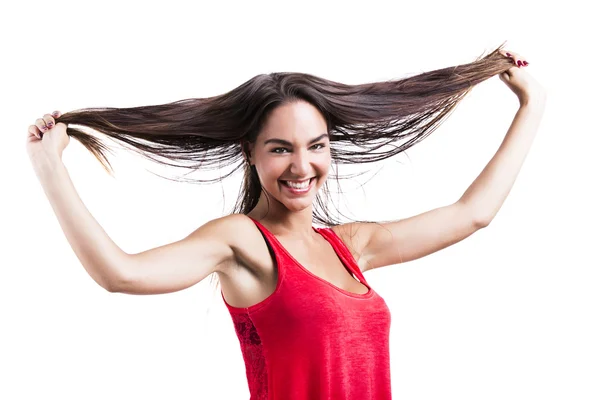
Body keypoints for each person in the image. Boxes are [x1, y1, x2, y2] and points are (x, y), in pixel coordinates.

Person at [25, 44, 545, 399]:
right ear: (250, 152)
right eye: (280, 149)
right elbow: (122, 274)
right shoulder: (240, 241)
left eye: (316, 146)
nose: (302, 167)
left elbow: (472, 214)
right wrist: (50, 168)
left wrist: (532, 104)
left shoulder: (349, 246)